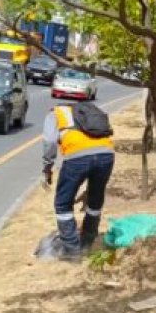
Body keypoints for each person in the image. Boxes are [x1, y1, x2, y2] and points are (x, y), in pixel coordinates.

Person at [41, 102, 115, 259]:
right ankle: (89, 240)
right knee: (95, 200)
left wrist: (47, 167)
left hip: (77, 156)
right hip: (106, 154)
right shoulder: (88, 110)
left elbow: (50, 142)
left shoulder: (55, 113)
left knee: (63, 204)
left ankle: (72, 250)